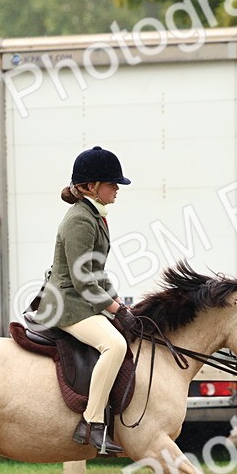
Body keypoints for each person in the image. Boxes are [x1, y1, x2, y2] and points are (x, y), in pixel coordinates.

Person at [33, 146, 136, 455]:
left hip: (80, 299)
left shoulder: (94, 216)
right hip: (68, 304)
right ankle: (92, 424)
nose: (117, 189)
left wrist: (118, 300)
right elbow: (82, 279)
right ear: (92, 187)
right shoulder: (80, 220)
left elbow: (95, 270)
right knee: (114, 345)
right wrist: (114, 309)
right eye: (111, 183)